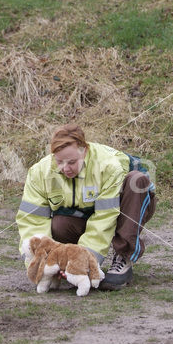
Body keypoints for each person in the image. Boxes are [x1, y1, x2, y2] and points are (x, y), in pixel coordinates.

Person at [16, 124, 156, 290]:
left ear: (84, 151)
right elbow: (32, 220)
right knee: (59, 224)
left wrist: (86, 262)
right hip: (83, 214)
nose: (65, 168)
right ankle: (66, 263)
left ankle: (123, 257)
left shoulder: (108, 166)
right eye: (59, 162)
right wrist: (41, 263)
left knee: (137, 180)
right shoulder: (40, 172)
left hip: (124, 209)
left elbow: (105, 218)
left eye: (72, 162)